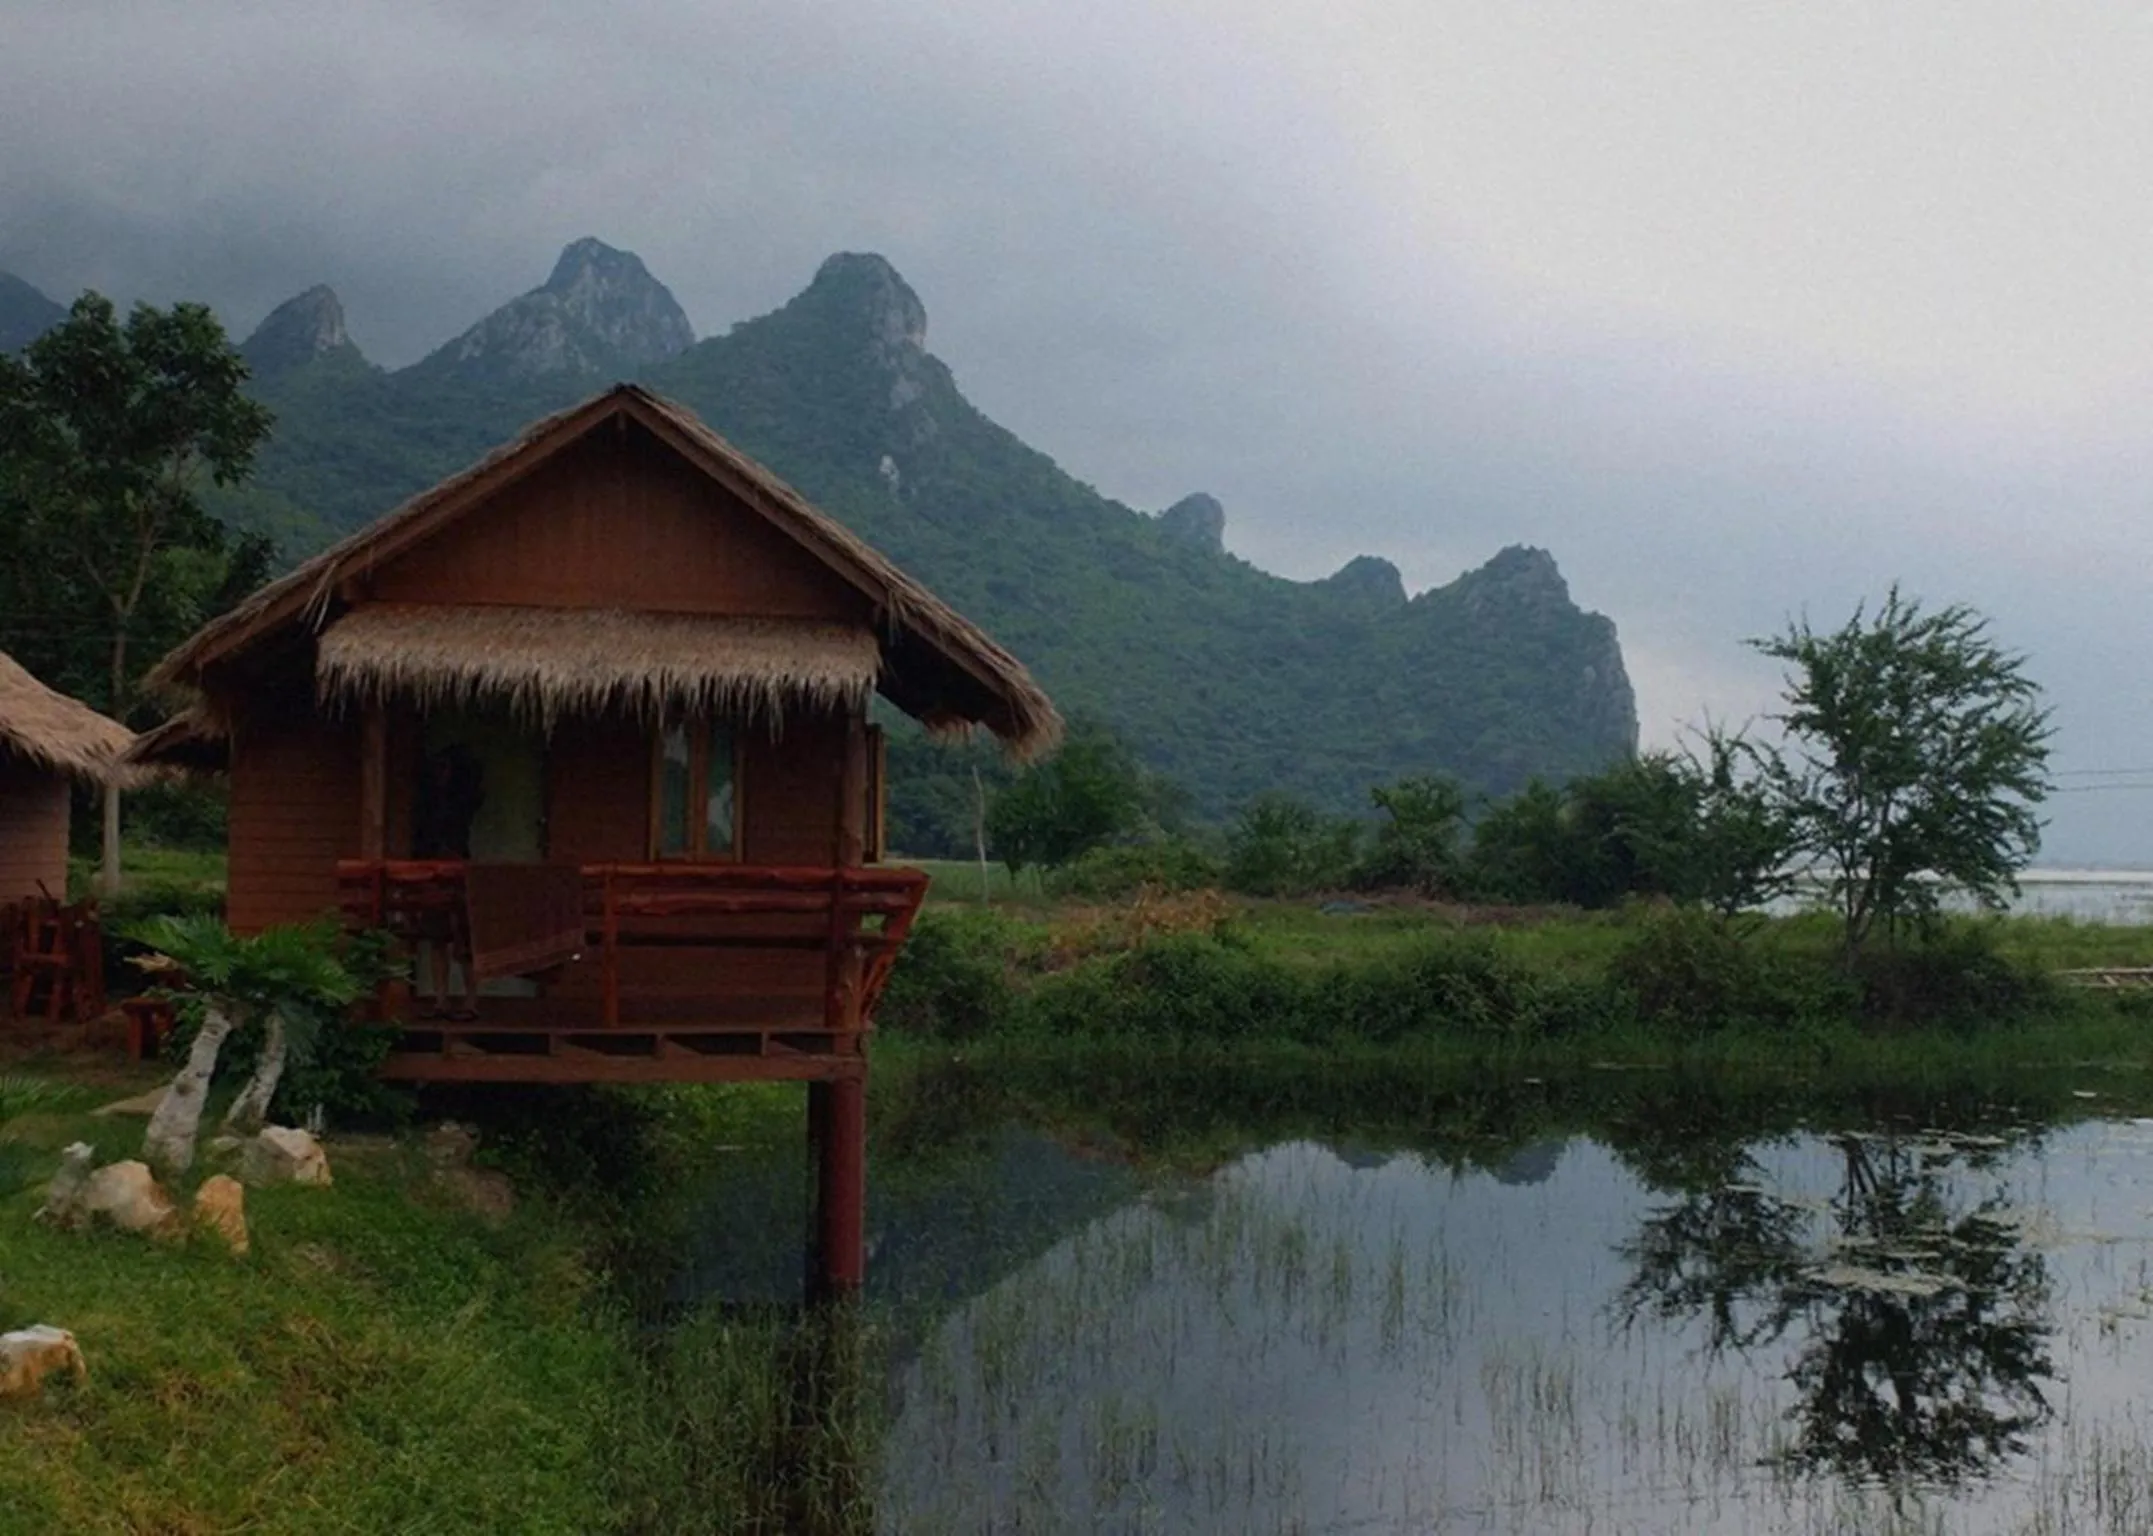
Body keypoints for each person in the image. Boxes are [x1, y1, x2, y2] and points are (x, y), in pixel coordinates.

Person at [411, 745, 484, 1019]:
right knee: (437, 936)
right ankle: (441, 999)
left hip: (457, 867)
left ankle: (470, 1001)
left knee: (464, 938)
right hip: (434, 870)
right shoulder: (429, 802)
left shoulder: (461, 800)